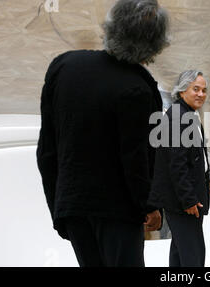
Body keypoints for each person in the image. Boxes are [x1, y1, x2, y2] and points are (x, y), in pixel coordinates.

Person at [36, 0, 170, 267]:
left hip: (72, 207)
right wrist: (150, 206)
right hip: (117, 213)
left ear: (111, 26)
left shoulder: (63, 66)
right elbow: (136, 162)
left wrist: (59, 208)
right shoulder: (139, 89)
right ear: (154, 44)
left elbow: (47, 149)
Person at [149, 70, 210, 267]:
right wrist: (188, 199)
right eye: (196, 89)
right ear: (182, 91)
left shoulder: (186, 114)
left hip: (184, 201)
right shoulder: (178, 116)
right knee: (194, 256)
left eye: (204, 90)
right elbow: (176, 163)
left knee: (180, 251)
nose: (201, 94)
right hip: (184, 203)